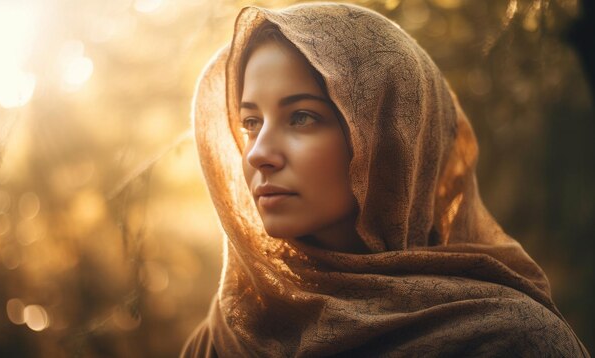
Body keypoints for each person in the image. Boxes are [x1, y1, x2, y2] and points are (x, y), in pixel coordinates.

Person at [181, 3, 590, 357]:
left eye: (301, 117)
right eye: (251, 122)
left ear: (392, 138)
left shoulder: (510, 341)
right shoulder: (229, 336)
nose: (257, 153)